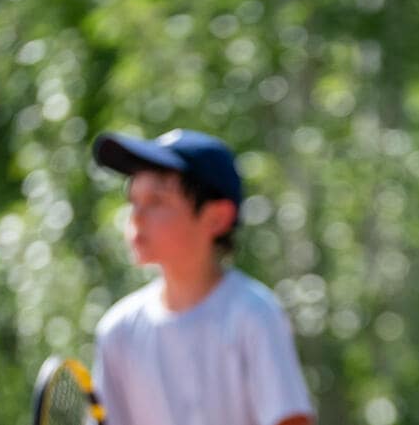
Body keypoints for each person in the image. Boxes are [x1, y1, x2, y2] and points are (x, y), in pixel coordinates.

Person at [89, 129, 314, 425]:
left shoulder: (254, 315)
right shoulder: (117, 332)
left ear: (217, 218)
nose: (136, 217)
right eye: (133, 201)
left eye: (156, 201)